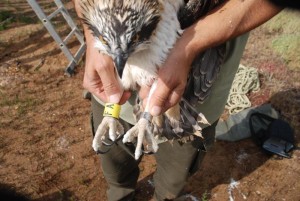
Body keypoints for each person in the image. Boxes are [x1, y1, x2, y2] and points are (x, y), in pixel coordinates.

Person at [73, 0, 282, 200]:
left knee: (173, 180)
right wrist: (95, 36)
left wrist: (191, 45)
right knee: (116, 170)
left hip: (190, 88)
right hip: (111, 84)